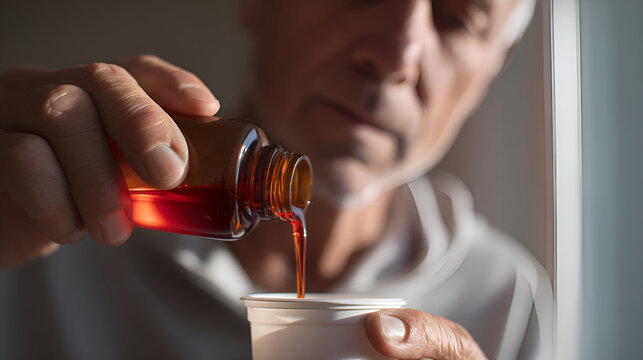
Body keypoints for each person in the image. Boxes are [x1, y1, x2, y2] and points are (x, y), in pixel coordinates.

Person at [0, 0, 551, 359]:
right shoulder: (52, 220)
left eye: (456, 19)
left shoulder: (502, 300)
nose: (395, 56)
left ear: (492, 71)